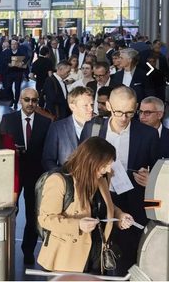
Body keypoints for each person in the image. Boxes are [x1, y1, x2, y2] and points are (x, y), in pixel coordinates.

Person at [79, 86, 160, 275]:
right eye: (118, 112)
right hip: (97, 200)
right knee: (94, 261)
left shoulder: (148, 134)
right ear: (108, 105)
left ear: (137, 107)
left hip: (131, 206)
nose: (124, 118)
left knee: (125, 263)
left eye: (130, 113)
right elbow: (80, 163)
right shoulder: (93, 128)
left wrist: (151, 180)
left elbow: (157, 170)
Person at [37, 137, 134, 274]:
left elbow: (108, 206)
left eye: (109, 165)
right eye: (104, 165)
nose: (107, 170)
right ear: (90, 161)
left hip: (97, 257)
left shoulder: (101, 179)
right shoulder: (59, 180)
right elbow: (46, 219)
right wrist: (78, 225)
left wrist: (120, 216)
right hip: (67, 259)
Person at [0, 88, 52, 265]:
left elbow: (48, 151)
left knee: (32, 214)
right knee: (9, 211)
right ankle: (5, 247)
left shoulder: (46, 123)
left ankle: (28, 251)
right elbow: (0, 146)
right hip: (12, 174)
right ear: (20, 100)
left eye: (34, 100)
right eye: (27, 100)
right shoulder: (8, 119)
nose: (30, 103)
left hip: (36, 175)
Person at [42, 86, 95, 170]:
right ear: (72, 107)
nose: (91, 109)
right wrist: (63, 177)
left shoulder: (99, 126)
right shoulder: (57, 128)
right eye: (86, 105)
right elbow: (48, 160)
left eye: (92, 104)